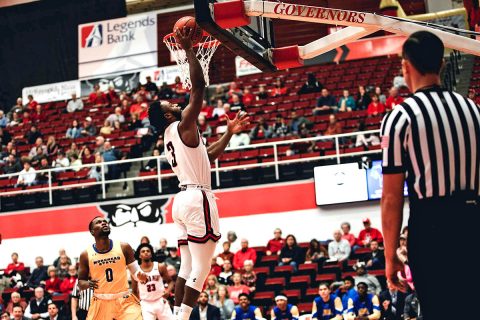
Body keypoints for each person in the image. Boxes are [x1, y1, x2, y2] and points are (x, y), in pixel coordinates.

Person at [148, 27, 249, 320]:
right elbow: (199, 88)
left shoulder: (173, 134)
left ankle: (177, 314)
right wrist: (189, 49)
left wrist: (228, 133)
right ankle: (181, 318)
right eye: (172, 105)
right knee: (202, 269)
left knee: (186, 267)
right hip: (197, 198)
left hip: (182, 199)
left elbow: (208, 156)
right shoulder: (183, 125)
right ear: (168, 115)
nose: (177, 104)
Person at [381, 31, 480, 320]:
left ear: (405, 67)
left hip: (432, 226)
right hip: (473, 219)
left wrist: (390, 257)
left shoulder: (400, 117)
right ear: (441, 64)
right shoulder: (472, 110)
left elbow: (391, 197)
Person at [77, 216, 147, 320]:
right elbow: (81, 282)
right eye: (99, 222)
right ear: (92, 232)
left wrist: (141, 277)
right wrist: (88, 284)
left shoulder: (124, 247)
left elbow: (136, 272)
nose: (104, 223)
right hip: (100, 301)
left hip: (124, 299)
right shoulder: (85, 254)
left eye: (105, 221)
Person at [131, 243, 174, 320]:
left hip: (160, 300)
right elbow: (134, 291)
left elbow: (170, 282)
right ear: (139, 255)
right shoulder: (136, 271)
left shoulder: (160, 266)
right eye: (143, 251)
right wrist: (138, 304)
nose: (146, 252)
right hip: (146, 303)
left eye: (148, 251)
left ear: (151, 254)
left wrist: (168, 291)